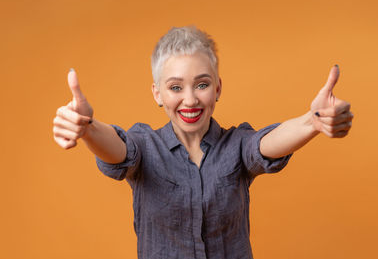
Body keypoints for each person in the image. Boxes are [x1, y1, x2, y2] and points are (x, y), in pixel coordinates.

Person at [52, 26, 353, 259]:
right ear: (158, 93)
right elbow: (119, 151)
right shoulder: (145, 147)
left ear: (217, 88)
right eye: (175, 87)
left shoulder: (236, 145)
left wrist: (311, 122)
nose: (191, 99)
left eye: (202, 84)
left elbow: (266, 143)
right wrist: (87, 127)